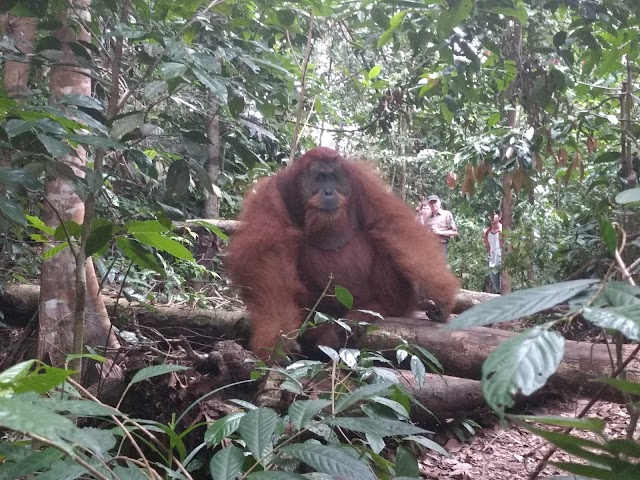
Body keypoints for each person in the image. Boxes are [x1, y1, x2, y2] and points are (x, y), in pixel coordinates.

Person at [483, 212, 502, 294]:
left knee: (506, 285)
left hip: (504, 262)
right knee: (497, 288)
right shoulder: (487, 232)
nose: (491, 216)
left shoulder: (504, 230)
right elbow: (488, 246)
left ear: (500, 216)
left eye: (493, 214)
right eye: (490, 215)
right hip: (493, 263)